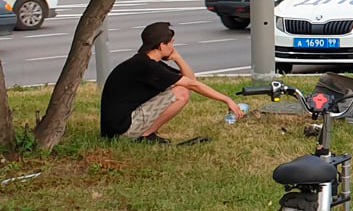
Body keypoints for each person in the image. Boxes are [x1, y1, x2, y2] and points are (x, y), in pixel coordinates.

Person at [100, 21, 245, 143]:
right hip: (121, 132)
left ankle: (145, 133)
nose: (173, 46)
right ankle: (146, 135)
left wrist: (177, 58)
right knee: (181, 93)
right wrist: (227, 100)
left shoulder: (145, 62)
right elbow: (192, 85)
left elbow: (190, 79)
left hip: (115, 129)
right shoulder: (148, 66)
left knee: (181, 87)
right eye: (171, 43)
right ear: (162, 45)